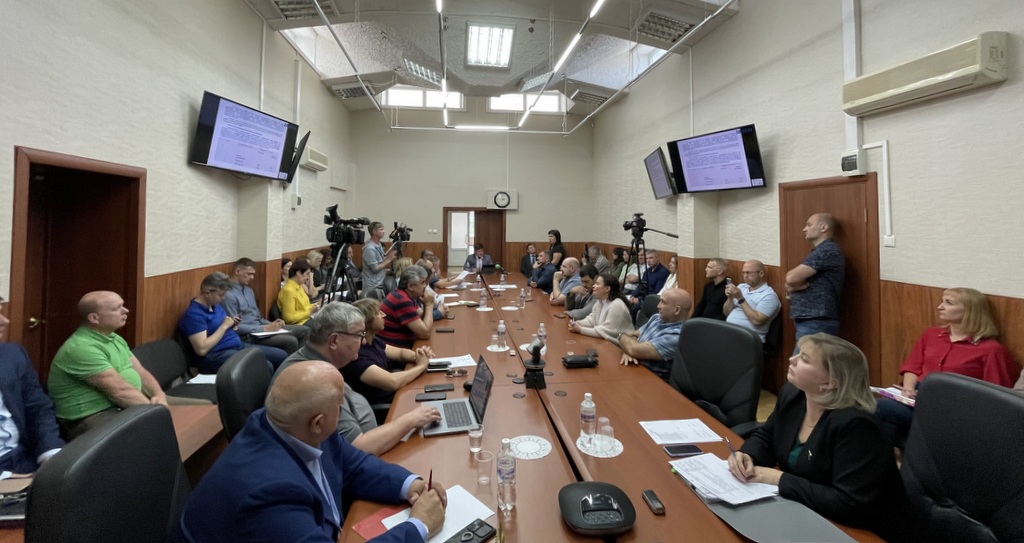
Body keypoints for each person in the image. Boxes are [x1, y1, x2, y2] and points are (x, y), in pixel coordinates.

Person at [176, 361, 447, 543]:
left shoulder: (287, 422)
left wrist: (410, 484)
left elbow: (354, 465)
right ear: (317, 422)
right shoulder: (270, 495)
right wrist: (418, 526)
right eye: (340, 406)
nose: (343, 411)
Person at [728, 334, 908, 540]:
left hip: (862, 532)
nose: (791, 360)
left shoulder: (856, 427)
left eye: (804, 359)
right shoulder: (793, 394)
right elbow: (767, 435)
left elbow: (849, 503)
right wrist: (747, 454)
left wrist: (779, 479)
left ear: (829, 382)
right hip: (804, 514)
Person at [277, 302, 440, 455]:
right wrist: (412, 419)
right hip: (367, 454)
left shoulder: (318, 363)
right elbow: (359, 448)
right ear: (334, 340)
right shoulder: (314, 379)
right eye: (359, 335)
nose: (363, 341)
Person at [875, 287, 1019, 443]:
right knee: (886, 423)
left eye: (948, 303)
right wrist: (908, 389)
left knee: (875, 408)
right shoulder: (930, 335)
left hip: (955, 408)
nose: (940, 306)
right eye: (942, 301)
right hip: (918, 396)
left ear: (969, 311)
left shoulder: (991, 349)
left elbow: (996, 393)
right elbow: (912, 366)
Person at [48, 291, 170, 440]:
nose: (126, 311)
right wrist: (156, 413)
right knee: (157, 436)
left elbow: (141, 372)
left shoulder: (113, 338)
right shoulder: (81, 348)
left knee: (199, 410)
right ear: (94, 318)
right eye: (116, 308)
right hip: (92, 417)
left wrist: (159, 395)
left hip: (127, 405)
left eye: (123, 306)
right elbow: (119, 391)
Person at [0, 295, 65, 473]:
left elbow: (38, 408)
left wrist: (50, 453)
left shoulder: (13, 355)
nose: (5, 321)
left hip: (23, 460)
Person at [181, 272, 288, 373]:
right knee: (265, 366)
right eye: (220, 295)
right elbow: (202, 349)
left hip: (236, 345)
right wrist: (223, 327)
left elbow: (222, 325)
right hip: (216, 355)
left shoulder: (214, 306)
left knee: (281, 355)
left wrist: (232, 325)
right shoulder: (194, 315)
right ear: (206, 293)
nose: (223, 299)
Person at [345, 299, 433, 405]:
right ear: (367, 322)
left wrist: (418, 355)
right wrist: (422, 366)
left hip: (399, 393)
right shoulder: (357, 356)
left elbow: (400, 353)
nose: (384, 315)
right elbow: (392, 382)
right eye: (378, 313)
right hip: (389, 407)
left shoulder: (373, 340)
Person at [223, 258, 310, 354]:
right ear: (237, 271)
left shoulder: (249, 291)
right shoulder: (228, 295)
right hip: (248, 335)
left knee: (305, 331)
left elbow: (258, 317)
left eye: (253, 274)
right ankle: (288, 367)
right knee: (291, 341)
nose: (252, 277)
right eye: (249, 274)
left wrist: (270, 323)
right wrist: (264, 328)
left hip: (260, 327)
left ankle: (299, 362)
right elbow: (234, 326)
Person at [786, 213, 845, 343]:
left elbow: (791, 278)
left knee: (803, 362)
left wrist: (793, 283)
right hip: (812, 320)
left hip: (818, 321)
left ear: (823, 228)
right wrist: (792, 284)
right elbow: (790, 283)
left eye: (809, 224)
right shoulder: (819, 251)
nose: (804, 229)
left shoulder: (827, 250)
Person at [618, 288, 692, 381]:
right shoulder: (656, 318)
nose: (658, 306)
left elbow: (633, 349)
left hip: (652, 381)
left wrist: (621, 336)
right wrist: (627, 350)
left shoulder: (677, 336)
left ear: (676, 310)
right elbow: (633, 335)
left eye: (663, 302)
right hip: (634, 370)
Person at [379, 265, 436, 349]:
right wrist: (429, 305)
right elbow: (425, 333)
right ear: (410, 286)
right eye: (422, 282)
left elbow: (420, 318)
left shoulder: (403, 294)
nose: (425, 286)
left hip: (403, 346)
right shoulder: (401, 300)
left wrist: (426, 305)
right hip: (394, 352)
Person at [724, 259, 781, 342]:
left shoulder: (769, 296)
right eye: (743, 273)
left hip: (750, 339)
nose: (745, 276)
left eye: (749, 273)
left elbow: (757, 321)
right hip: (730, 333)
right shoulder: (741, 287)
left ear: (761, 273)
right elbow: (726, 312)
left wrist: (740, 298)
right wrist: (730, 298)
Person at [568, 273, 634, 343]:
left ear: (607, 289)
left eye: (597, 284)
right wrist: (578, 323)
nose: (593, 286)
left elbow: (605, 331)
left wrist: (581, 329)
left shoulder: (617, 305)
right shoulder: (600, 302)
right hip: (606, 342)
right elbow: (592, 320)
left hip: (621, 346)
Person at [278, 259, 320, 325]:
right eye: (307, 274)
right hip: (301, 323)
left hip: (307, 318)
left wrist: (316, 305)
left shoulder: (299, 286)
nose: (308, 278)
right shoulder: (289, 290)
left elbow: (304, 307)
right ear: (298, 273)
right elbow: (289, 318)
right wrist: (310, 312)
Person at [363, 221, 398, 299]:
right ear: (374, 232)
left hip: (380, 282)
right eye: (381, 229)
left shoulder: (378, 245)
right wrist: (389, 259)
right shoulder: (369, 248)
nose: (384, 231)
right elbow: (375, 268)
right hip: (372, 285)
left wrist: (388, 257)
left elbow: (380, 261)